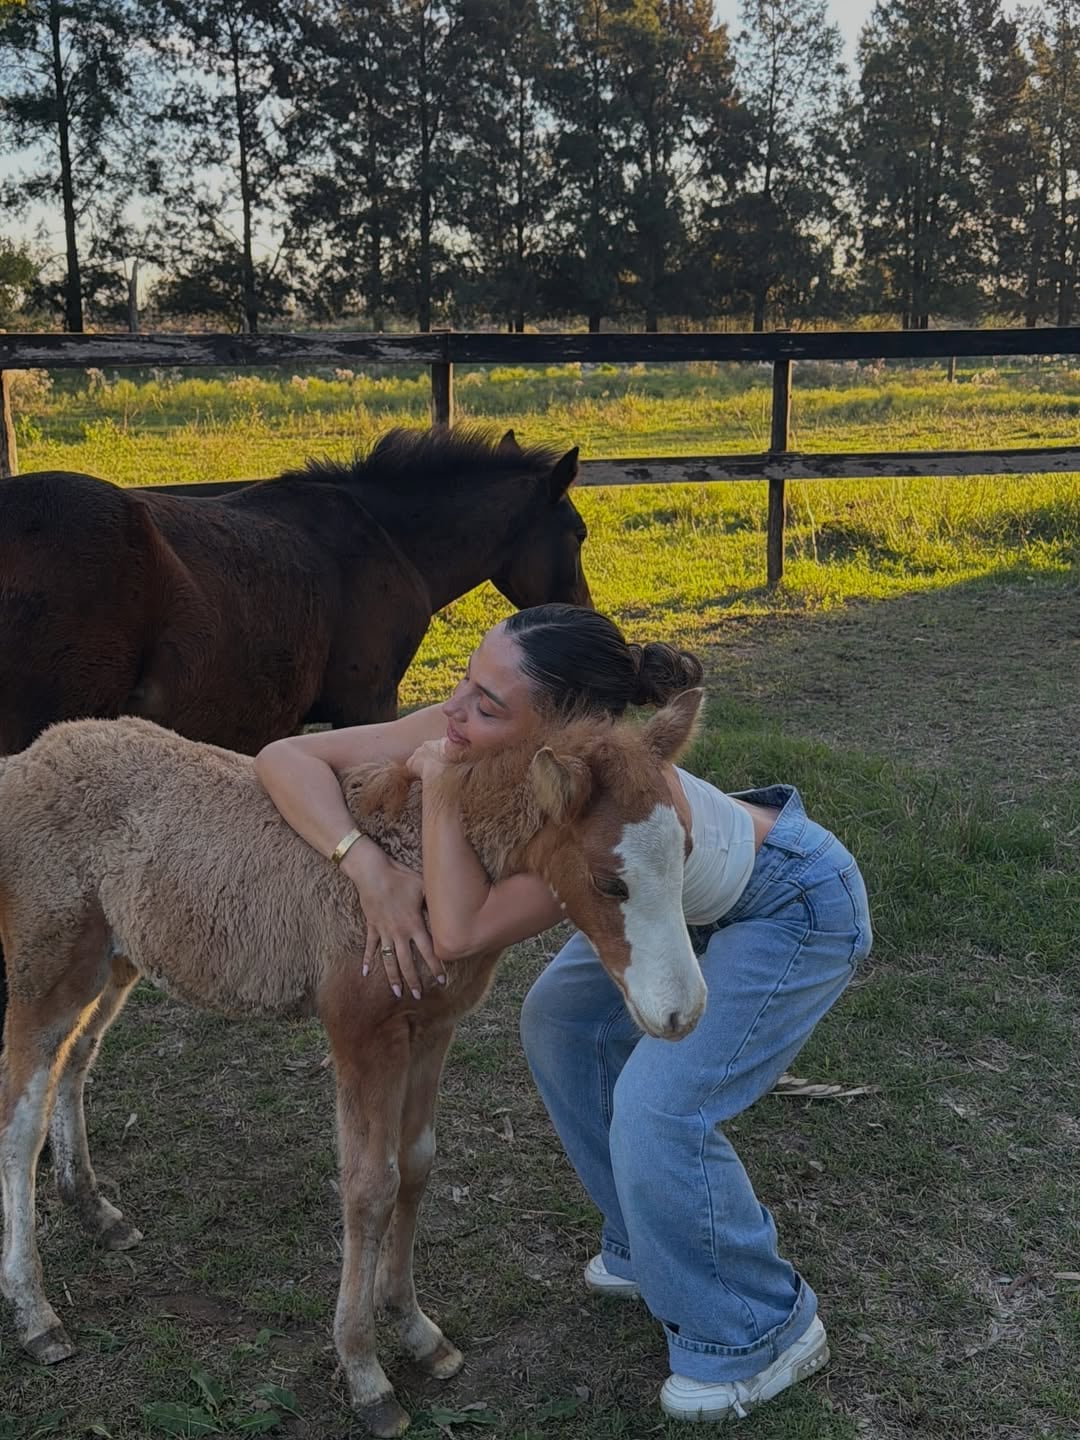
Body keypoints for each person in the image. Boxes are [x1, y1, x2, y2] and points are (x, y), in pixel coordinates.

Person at [255, 603, 872, 1423]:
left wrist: (437, 788)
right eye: (467, 684)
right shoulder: (473, 733)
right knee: (561, 1025)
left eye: (489, 705)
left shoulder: (590, 810)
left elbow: (459, 930)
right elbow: (284, 756)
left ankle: (758, 1330)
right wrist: (365, 865)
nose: (456, 715)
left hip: (787, 903)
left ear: (567, 735)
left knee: (661, 1109)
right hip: (657, 907)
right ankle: (647, 1240)